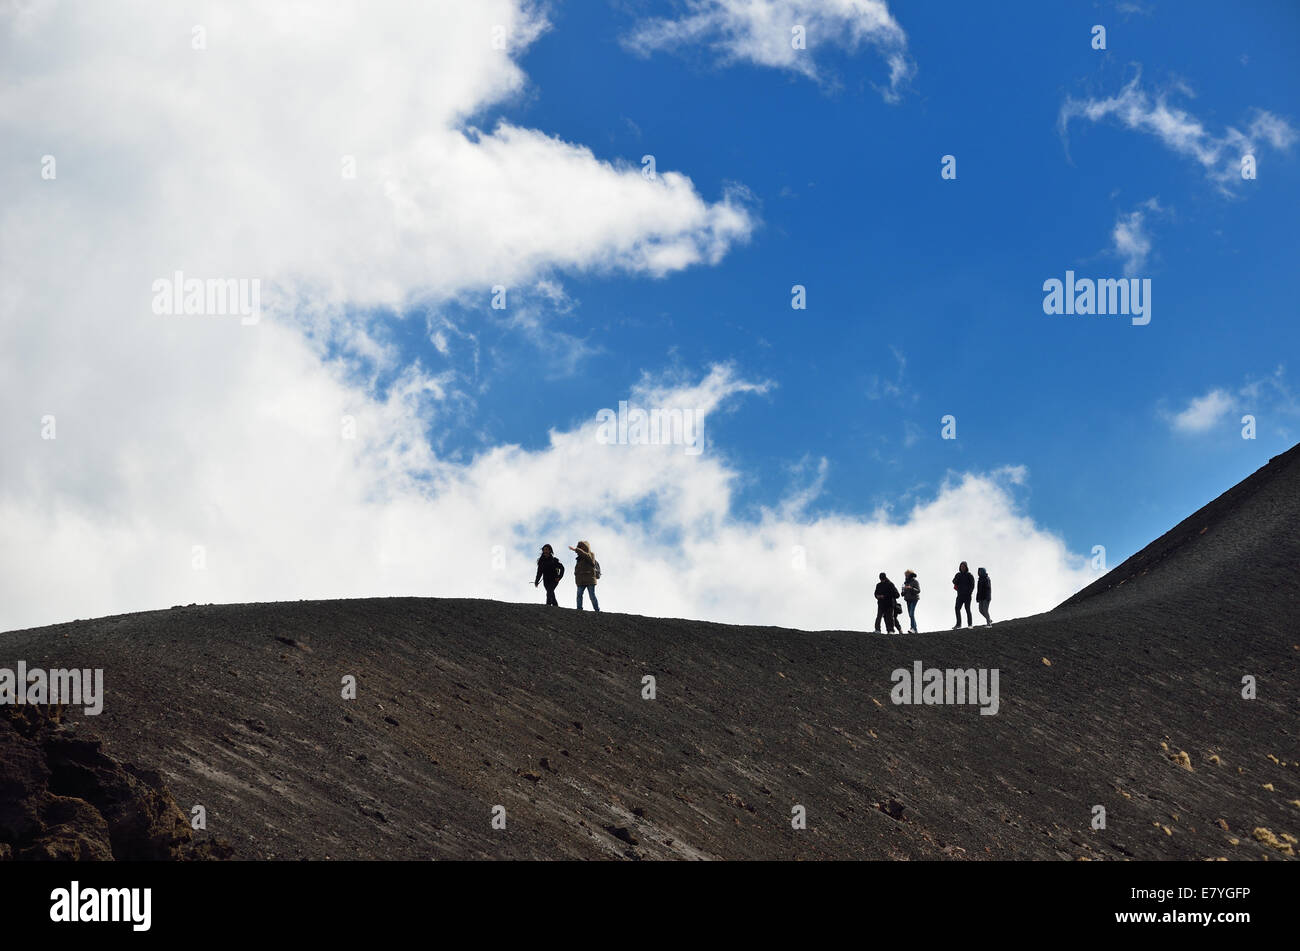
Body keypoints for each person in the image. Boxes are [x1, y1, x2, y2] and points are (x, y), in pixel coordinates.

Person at [569, 541, 600, 612]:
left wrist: (576, 549)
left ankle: (597, 610)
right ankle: (579, 609)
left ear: (586, 547)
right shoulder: (578, 559)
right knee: (579, 595)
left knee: (592, 596)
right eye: (579, 547)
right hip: (581, 580)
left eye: (581, 546)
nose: (580, 548)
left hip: (590, 579)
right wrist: (576, 574)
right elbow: (577, 570)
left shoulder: (591, 554)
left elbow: (590, 561)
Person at [952, 561, 975, 629]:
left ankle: (970, 625)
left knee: (967, 609)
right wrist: (957, 579)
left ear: (966, 567)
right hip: (960, 595)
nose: (962, 567)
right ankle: (958, 624)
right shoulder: (958, 575)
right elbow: (953, 581)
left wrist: (969, 593)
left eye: (963, 566)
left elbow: (972, 585)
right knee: (957, 608)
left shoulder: (969, 575)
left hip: (967, 596)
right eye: (961, 566)